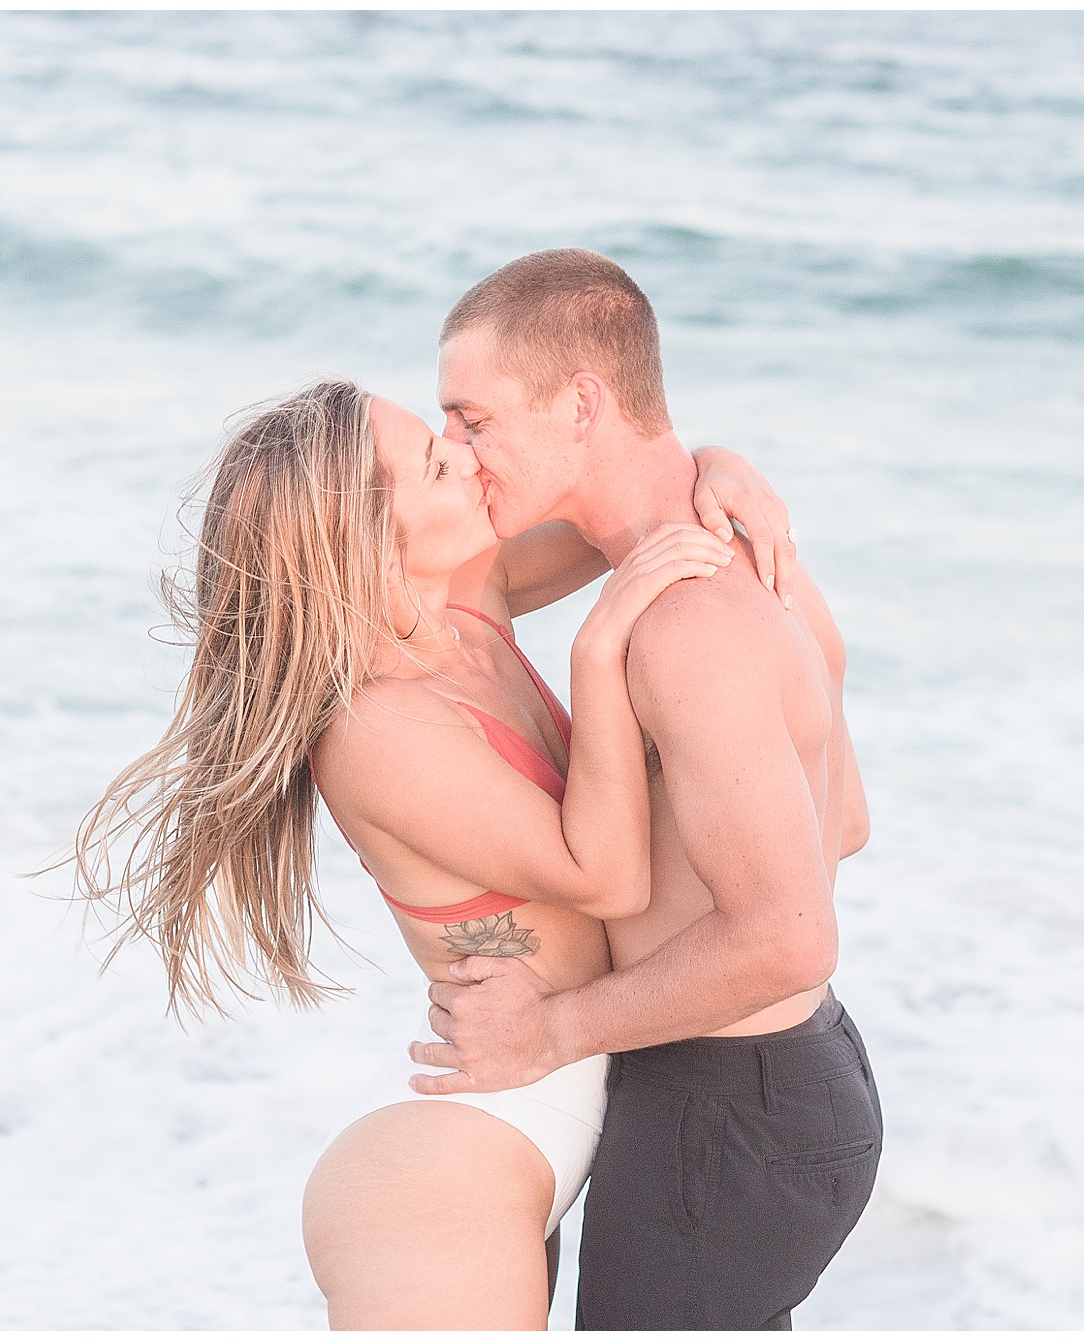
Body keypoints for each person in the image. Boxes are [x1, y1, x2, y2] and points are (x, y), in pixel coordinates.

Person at [69, 377, 800, 1329]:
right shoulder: (378, 728)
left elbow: (621, 513)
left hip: (552, 1096)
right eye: (433, 462)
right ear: (372, 550)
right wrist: (598, 652)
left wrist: (723, 467)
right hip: (452, 1170)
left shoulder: (466, 600)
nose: (465, 455)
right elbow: (609, 876)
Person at [414, 248, 881, 1331]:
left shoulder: (681, 628)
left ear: (580, 401)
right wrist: (717, 458)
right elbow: (842, 825)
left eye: (472, 419)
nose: (456, 450)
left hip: (726, 1108)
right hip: (789, 1079)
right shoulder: (753, 557)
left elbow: (788, 938)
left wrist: (549, 1032)